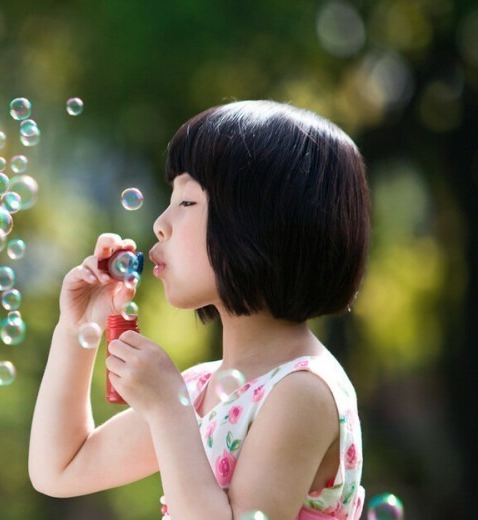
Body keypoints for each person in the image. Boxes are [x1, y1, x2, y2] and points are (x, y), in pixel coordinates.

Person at [29, 100, 368, 520]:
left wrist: (168, 410)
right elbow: (60, 469)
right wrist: (78, 330)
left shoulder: (303, 392)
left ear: (261, 222)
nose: (160, 223)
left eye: (187, 202)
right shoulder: (203, 389)